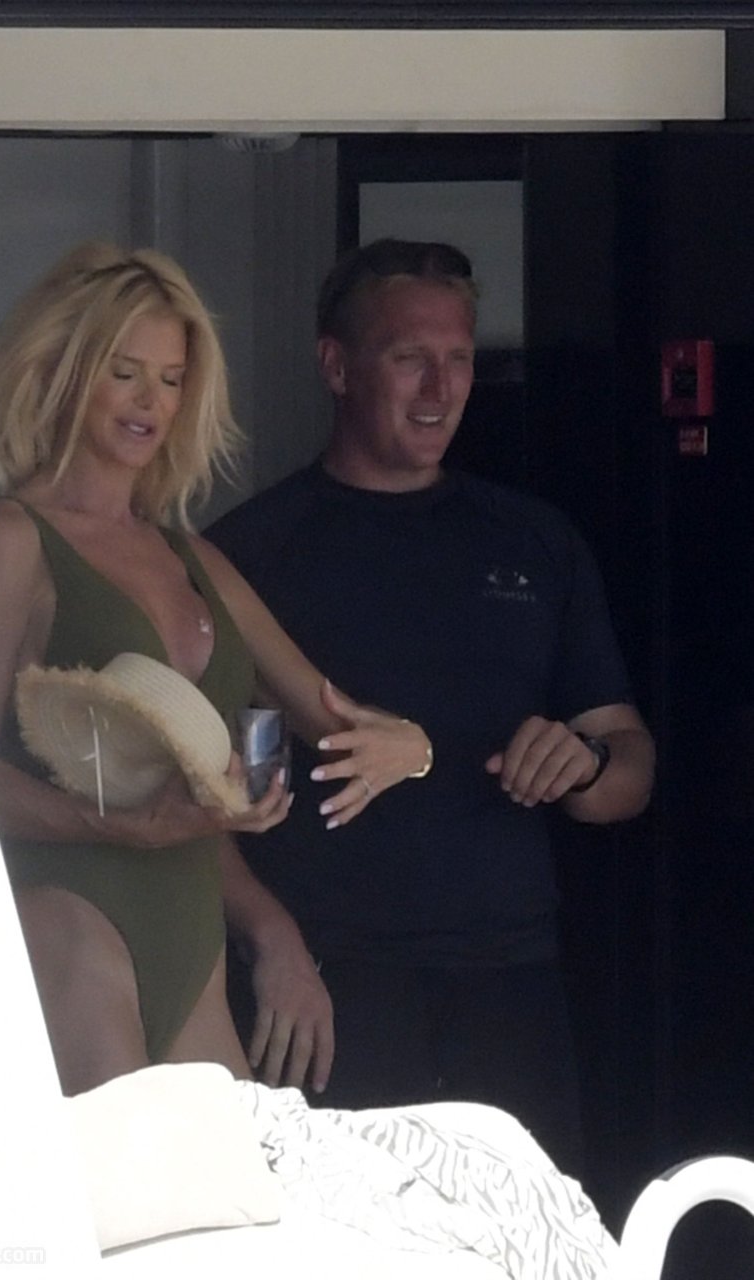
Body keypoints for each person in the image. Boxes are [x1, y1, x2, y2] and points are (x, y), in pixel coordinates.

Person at [0, 241, 432, 1098]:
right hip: (65, 908)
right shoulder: (8, 538)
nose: (151, 402)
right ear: (65, 372)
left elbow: (330, 715)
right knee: (123, 1177)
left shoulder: (191, 556)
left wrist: (414, 749)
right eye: (124, 372)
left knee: (226, 1181)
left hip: (188, 922)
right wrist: (116, 825)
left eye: (170, 379)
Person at [207, 237, 656, 1176]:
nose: (439, 388)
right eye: (409, 357)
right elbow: (202, 797)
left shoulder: (534, 541)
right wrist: (270, 943)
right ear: (337, 366)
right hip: (327, 983)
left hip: (511, 979)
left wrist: (583, 765)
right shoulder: (251, 554)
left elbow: (628, 762)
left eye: (458, 359)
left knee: (521, 1239)